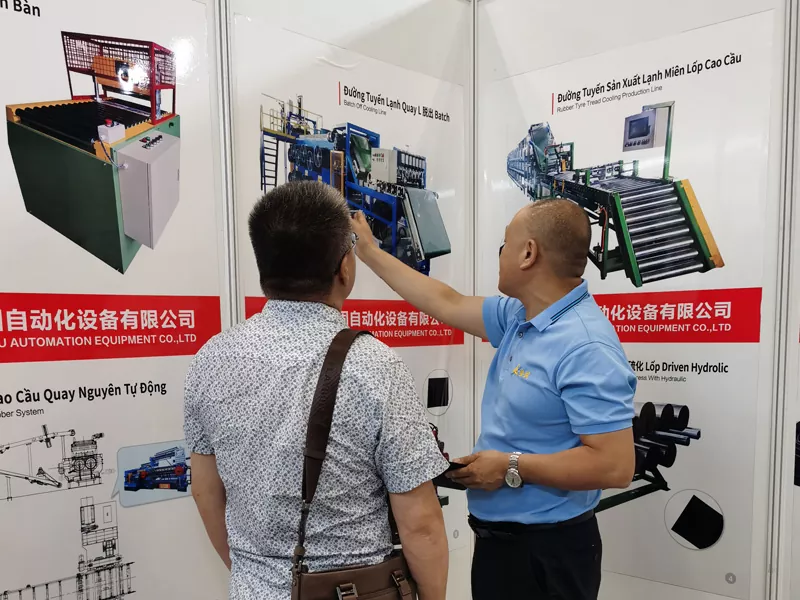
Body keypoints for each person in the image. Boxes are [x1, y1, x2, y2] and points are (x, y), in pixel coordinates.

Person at [351, 198, 637, 600]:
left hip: (549, 554)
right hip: (501, 545)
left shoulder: (584, 345)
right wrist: (369, 252)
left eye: (505, 244)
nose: (499, 255)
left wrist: (510, 466)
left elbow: (615, 465)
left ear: (528, 253)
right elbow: (446, 302)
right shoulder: (521, 317)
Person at [184, 181, 450, 600]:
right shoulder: (376, 366)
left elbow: (205, 491)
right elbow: (420, 524)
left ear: (263, 267)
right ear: (345, 268)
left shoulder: (209, 360)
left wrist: (257, 576)